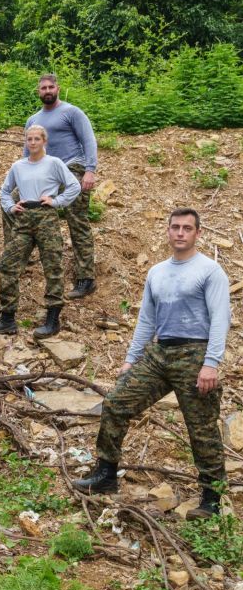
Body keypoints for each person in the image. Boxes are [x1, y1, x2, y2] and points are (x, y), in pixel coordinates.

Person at [72, 209, 230, 520]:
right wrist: (131, 359)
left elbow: (220, 319)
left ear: (198, 233)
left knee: (201, 428)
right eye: (175, 227)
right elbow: (146, 319)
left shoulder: (210, 271)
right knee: (116, 402)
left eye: (187, 228)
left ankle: (211, 497)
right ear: (168, 231)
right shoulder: (157, 272)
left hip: (195, 355)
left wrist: (211, 363)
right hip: (159, 354)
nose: (180, 233)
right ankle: (105, 474)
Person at [0, 125, 80, 339]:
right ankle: (8, 318)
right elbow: (4, 190)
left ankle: (52, 319)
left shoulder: (54, 163)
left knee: (53, 267)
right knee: (9, 265)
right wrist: (11, 206)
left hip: (46, 216)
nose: (32, 142)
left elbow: (74, 186)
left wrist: (57, 201)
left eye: (37, 138)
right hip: (24, 218)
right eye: (29, 139)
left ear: (44, 141)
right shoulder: (18, 166)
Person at [25, 73, 99, 299]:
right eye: (43, 88)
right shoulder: (33, 121)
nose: (47, 91)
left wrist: (90, 170)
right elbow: (27, 151)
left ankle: (85, 278)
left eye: (50, 87)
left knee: (77, 220)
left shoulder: (71, 112)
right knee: (18, 202)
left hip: (72, 168)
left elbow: (88, 140)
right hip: (45, 174)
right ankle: (18, 257)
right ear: (38, 91)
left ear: (57, 88)